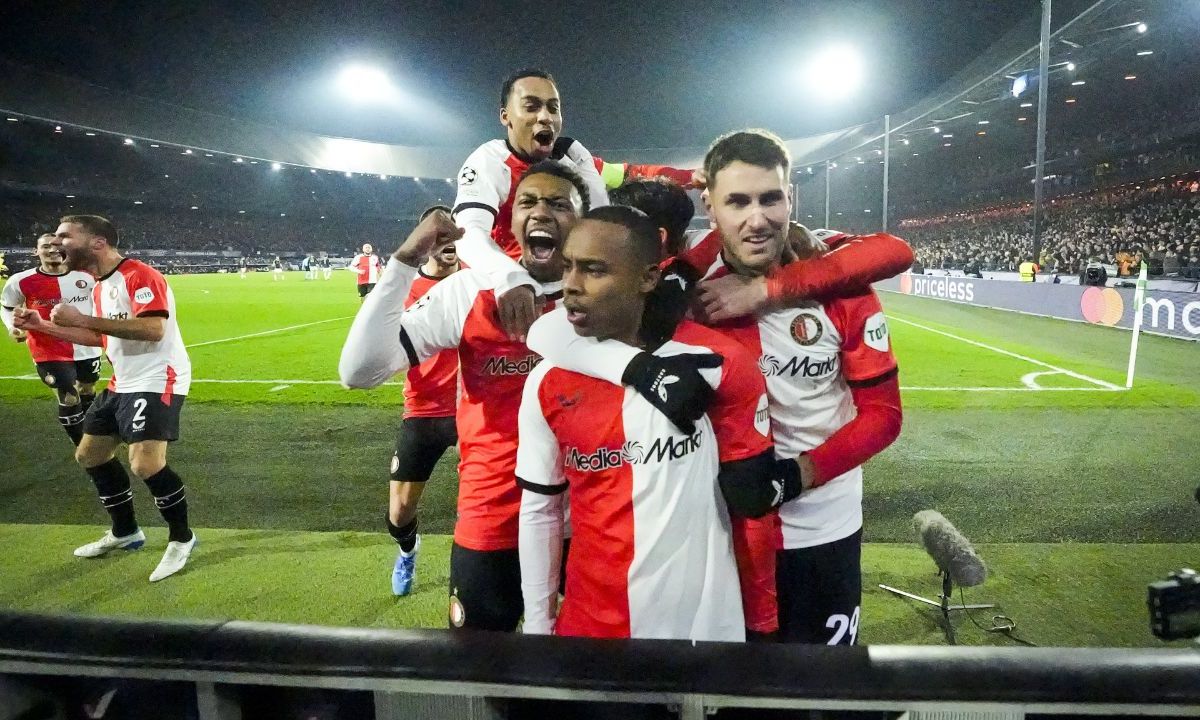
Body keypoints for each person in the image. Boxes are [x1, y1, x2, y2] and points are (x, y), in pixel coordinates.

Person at [527, 130, 905, 644]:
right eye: (737, 202)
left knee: (819, 695)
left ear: (791, 197)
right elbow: (551, 331)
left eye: (772, 199)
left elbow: (883, 416)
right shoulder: (680, 291)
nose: (757, 219)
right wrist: (640, 368)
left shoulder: (839, 286)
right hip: (719, 541)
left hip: (821, 530)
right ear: (710, 205)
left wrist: (796, 476)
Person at [517, 206, 792, 641]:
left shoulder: (719, 364)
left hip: (706, 630)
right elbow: (540, 511)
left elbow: (752, 510)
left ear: (648, 278)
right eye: (568, 266)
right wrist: (537, 626)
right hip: (590, 631)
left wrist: (762, 623)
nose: (570, 284)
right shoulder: (546, 381)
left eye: (593, 270)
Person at [340, 161, 587, 631]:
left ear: (583, 217)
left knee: (587, 673)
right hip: (492, 514)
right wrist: (404, 259)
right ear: (507, 219)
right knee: (482, 674)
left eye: (559, 204)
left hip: (591, 518)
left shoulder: (603, 291)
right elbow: (358, 370)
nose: (541, 213)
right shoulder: (470, 291)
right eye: (527, 202)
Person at [13, 215, 196, 582]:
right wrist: (42, 326)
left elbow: (154, 328)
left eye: (66, 235)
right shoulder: (100, 286)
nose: (56, 242)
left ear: (96, 242)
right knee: (89, 454)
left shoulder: (138, 274)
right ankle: (126, 532)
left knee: (145, 464)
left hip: (158, 377)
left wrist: (82, 318)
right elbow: (104, 339)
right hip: (122, 381)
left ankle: (182, 538)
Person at [452, 68, 609, 341]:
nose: (545, 117)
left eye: (553, 108)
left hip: (564, 306)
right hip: (502, 308)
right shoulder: (489, 161)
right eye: (532, 106)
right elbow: (467, 232)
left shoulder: (572, 160)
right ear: (506, 117)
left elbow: (601, 229)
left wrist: (587, 173)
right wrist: (509, 275)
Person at [387, 206, 462, 596]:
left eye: (452, 231)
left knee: (485, 505)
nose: (446, 240)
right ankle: (407, 549)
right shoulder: (405, 291)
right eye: (439, 232)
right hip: (423, 410)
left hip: (474, 411)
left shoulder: (475, 282)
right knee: (398, 512)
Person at [1, 233, 103, 446]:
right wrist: (13, 327)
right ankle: (83, 446)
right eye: (46, 246)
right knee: (68, 395)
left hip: (87, 344)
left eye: (58, 245)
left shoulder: (87, 275)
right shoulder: (20, 280)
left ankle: (92, 433)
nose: (53, 250)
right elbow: (8, 306)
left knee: (87, 388)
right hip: (47, 347)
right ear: (36, 251)